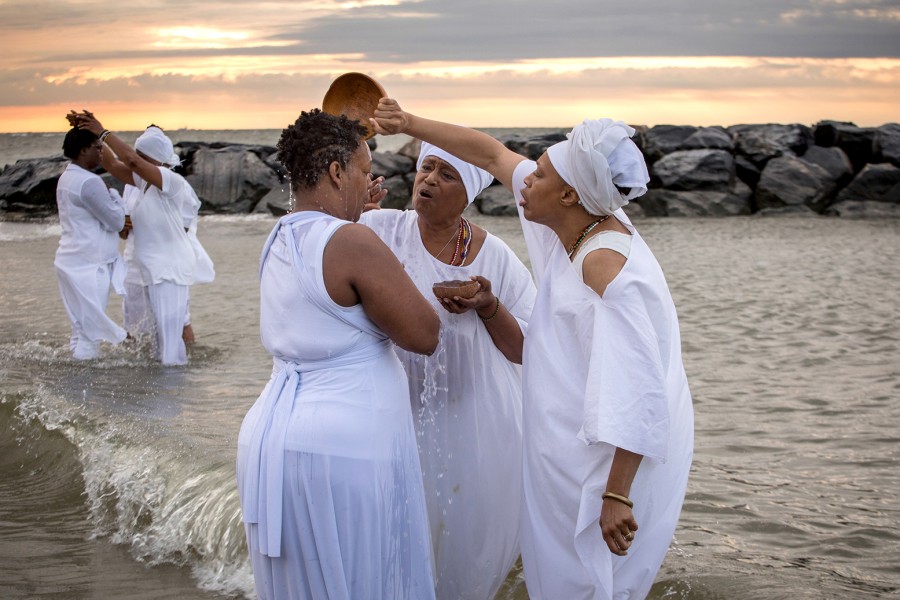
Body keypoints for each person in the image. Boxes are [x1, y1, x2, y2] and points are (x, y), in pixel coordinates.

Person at [373, 100, 695, 600]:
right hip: (570, 437)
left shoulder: (605, 267)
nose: (524, 179)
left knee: (588, 577)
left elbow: (640, 385)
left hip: (611, 457)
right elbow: (490, 154)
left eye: (539, 174)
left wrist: (616, 493)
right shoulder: (570, 221)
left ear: (568, 193)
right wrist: (408, 123)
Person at [235, 109, 441, 600]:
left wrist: (354, 218)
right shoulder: (352, 241)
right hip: (342, 452)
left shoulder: (280, 235)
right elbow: (424, 333)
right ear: (335, 171)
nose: (371, 181)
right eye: (365, 170)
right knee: (365, 581)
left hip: (271, 442)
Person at [358, 142, 536, 599]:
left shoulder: (496, 256)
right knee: (392, 535)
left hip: (476, 425)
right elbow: (317, 254)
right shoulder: (378, 229)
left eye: (447, 174)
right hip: (395, 418)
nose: (430, 179)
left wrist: (488, 306)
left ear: (469, 192)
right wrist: (348, 210)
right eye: (427, 168)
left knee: (465, 545)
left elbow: (527, 349)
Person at [71, 112, 197, 366]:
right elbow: (112, 164)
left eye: (141, 156)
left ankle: (178, 382)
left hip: (168, 270)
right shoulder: (140, 183)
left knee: (170, 344)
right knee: (143, 337)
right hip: (143, 265)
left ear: (155, 159)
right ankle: (144, 381)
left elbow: (130, 161)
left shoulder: (173, 182)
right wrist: (91, 131)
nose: (134, 160)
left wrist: (104, 132)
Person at [54, 126, 128, 359]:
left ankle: (76, 375)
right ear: (83, 150)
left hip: (69, 260)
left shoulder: (66, 177)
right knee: (90, 333)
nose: (101, 154)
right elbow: (116, 222)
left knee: (80, 329)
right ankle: (86, 379)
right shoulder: (89, 182)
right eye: (98, 148)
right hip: (90, 266)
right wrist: (115, 196)